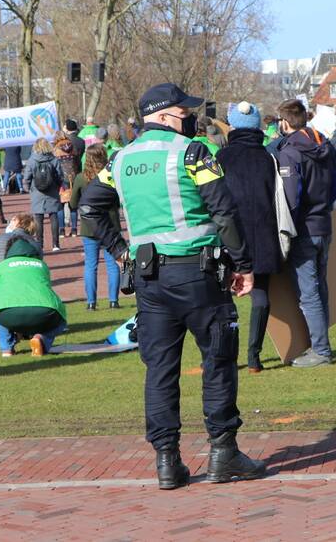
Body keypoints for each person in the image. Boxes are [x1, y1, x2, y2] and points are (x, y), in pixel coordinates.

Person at [80, 82, 264, 490]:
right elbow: (223, 209)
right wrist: (244, 264)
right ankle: (223, 452)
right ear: (164, 116)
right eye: (185, 112)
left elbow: (89, 207)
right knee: (218, 359)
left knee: (160, 369)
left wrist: (121, 250)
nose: (191, 119)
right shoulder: (193, 152)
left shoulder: (121, 159)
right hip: (198, 275)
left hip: (149, 278)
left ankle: (167, 461)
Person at [217, 102, 282, 373]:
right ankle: (254, 357)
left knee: (220, 299)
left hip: (229, 234)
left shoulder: (222, 158)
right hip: (263, 232)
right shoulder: (268, 157)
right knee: (261, 295)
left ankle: (223, 355)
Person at [275, 98, 336, 368]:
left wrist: (286, 225)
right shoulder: (327, 145)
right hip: (324, 223)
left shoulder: (290, 152)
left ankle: (321, 350)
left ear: (284, 122)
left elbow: (292, 196)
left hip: (304, 228)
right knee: (319, 289)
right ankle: (320, 344)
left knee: (309, 293)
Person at [0, 237, 68, 357]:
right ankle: (41, 338)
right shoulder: (42, 265)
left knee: (0, 310)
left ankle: (7, 349)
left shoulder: (1, 266)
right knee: (60, 322)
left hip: (7, 313)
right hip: (45, 310)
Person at [71, 144, 120, 310]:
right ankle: (114, 300)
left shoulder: (81, 178)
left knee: (91, 265)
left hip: (89, 226)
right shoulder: (111, 175)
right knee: (113, 263)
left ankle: (91, 302)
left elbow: (73, 203)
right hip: (110, 224)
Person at [23, 137, 64, 251]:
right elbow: (60, 175)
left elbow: (27, 177)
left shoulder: (32, 160)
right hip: (52, 191)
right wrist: (57, 186)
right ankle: (55, 244)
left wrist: (28, 188)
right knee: (53, 216)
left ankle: (39, 244)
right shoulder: (53, 159)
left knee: (38, 217)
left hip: (37, 191)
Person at [53, 133, 77, 237]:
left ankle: (62, 230)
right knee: (73, 206)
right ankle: (74, 230)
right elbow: (77, 161)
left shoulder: (56, 149)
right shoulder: (72, 146)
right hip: (72, 178)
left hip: (61, 179)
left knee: (60, 206)